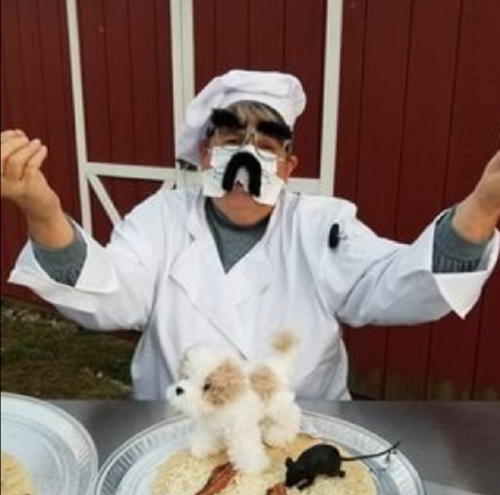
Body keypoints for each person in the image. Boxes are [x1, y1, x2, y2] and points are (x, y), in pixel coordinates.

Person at [1, 69, 499, 400]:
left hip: (300, 437)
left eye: (264, 145)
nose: (246, 159)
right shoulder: (163, 218)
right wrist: (43, 212)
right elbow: (109, 297)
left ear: (288, 166)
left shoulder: (320, 225)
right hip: (176, 433)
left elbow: (396, 285)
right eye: (232, 141)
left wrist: (481, 207)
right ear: (205, 155)